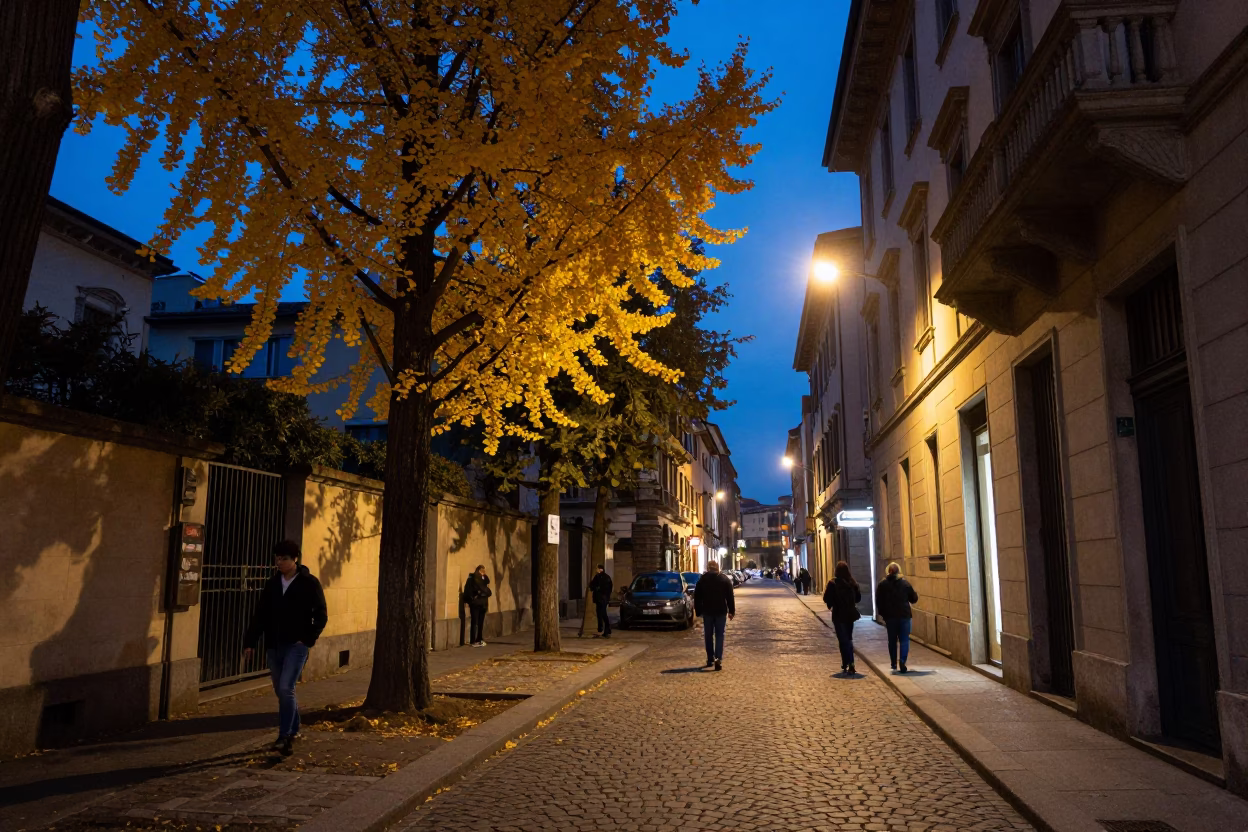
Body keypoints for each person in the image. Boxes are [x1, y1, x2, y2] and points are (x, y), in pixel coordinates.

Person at [243, 540, 328, 756]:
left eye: (284, 559)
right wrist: (250, 642)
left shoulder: (309, 583)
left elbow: (321, 614)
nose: (279, 562)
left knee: (285, 687)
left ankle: (285, 736)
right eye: (277, 558)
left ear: (295, 559)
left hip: (296, 645)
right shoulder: (273, 584)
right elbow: (260, 615)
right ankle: (295, 727)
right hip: (274, 645)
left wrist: (308, 639)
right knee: (281, 690)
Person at [876, 561, 919, 672]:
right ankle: (903, 661)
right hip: (904, 616)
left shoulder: (882, 584)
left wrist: (883, 614)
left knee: (892, 640)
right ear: (899, 571)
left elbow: (878, 602)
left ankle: (893, 663)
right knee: (904, 639)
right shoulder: (905, 584)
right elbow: (913, 599)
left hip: (890, 617)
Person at [693, 560, 735, 671]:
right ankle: (718, 658)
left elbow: (697, 597)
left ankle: (710, 658)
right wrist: (731, 611)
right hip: (721, 611)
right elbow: (730, 596)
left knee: (708, 635)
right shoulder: (724, 579)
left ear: (708, 568)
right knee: (720, 635)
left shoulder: (703, 580)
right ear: (717, 568)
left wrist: (698, 611)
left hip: (708, 611)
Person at [823, 560, 862, 675]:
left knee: (842, 639)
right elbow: (858, 598)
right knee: (848, 638)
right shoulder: (853, 583)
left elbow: (826, 598)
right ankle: (849, 662)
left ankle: (848, 662)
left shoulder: (832, 583)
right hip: (850, 614)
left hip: (838, 615)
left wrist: (832, 604)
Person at [464, 564, 492, 647]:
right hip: (475, 603)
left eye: (484, 571)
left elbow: (487, 590)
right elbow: (470, 591)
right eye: (482, 571)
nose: (484, 573)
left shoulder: (484, 579)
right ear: (479, 570)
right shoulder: (472, 579)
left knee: (480, 622)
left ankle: (479, 638)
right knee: (474, 622)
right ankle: (473, 640)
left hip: (482, 604)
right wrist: (473, 598)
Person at [588, 564, 613, 638]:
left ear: (600, 569)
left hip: (602, 598)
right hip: (600, 598)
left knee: (602, 613)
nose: (596, 570)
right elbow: (592, 585)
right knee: (599, 613)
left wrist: (597, 589)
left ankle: (606, 628)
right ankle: (601, 628)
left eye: (597, 568)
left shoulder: (604, 577)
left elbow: (606, 588)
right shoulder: (598, 577)